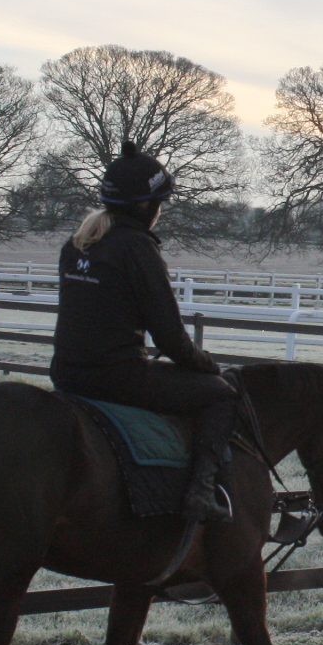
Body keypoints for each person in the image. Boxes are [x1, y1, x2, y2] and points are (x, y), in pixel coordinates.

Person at [51, 141, 238, 575]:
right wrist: (209, 367)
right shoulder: (137, 249)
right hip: (116, 377)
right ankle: (202, 492)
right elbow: (170, 338)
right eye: (160, 203)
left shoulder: (78, 242)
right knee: (219, 396)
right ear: (146, 205)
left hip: (67, 375)